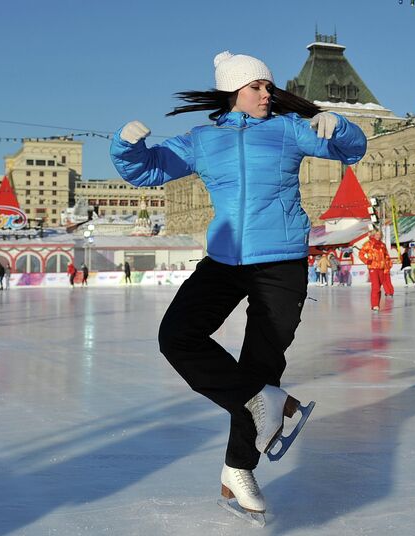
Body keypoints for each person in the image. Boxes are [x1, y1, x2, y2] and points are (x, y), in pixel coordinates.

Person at [111, 50, 366, 517]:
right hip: (225, 259)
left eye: (268, 87)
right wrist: (126, 147)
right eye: (257, 87)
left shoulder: (289, 130)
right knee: (177, 336)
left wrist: (340, 126)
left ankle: (238, 471)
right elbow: (146, 171)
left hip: (282, 259)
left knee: (262, 361)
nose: (268, 93)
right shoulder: (203, 139)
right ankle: (264, 401)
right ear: (234, 91)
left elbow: (351, 150)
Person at [358, 229, 393, 311]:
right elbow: (361, 253)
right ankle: (374, 305)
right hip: (373, 268)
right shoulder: (369, 244)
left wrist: (388, 265)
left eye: (380, 234)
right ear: (373, 235)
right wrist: (367, 261)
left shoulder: (382, 245)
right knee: (376, 287)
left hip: (381, 268)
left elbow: (386, 256)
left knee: (379, 287)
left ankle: (377, 304)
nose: (378, 236)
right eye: (377, 234)